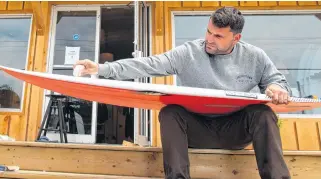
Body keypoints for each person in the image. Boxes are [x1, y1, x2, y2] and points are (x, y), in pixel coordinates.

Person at [74, 7, 291, 179]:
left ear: (236, 38)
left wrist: (278, 88)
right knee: (171, 112)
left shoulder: (255, 57)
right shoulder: (189, 53)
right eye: (208, 31)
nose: (210, 39)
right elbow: (148, 64)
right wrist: (101, 68)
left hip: (234, 131)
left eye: (218, 36)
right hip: (196, 129)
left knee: (262, 113)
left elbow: (277, 81)